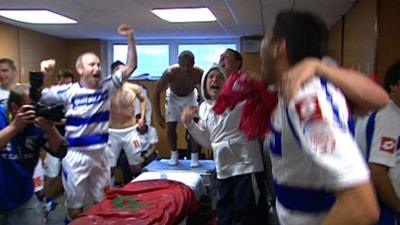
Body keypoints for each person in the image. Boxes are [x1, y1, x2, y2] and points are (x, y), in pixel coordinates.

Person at [261, 10, 380, 225]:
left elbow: (362, 206)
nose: (261, 48)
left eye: (265, 39)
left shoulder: (306, 99)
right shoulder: (288, 92)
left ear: (280, 48)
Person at [39, 24, 137, 222]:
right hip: (76, 156)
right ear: (80, 69)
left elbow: (130, 67)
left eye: (99, 64)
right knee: (76, 210)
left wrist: (130, 39)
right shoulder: (68, 91)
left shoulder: (107, 87)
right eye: (92, 65)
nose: (97, 68)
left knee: (103, 204)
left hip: (101, 155)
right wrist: (43, 75)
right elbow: (36, 97)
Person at [182, 63, 268, 225]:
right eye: (211, 77)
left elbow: (261, 95)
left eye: (220, 77)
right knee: (225, 217)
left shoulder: (239, 101)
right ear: (204, 84)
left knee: (249, 219)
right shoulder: (204, 109)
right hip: (223, 173)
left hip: (246, 170)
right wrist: (189, 124)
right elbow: (208, 141)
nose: (215, 79)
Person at [0, 84, 67, 225]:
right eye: (32, 106)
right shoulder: (1, 115)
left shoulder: (37, 124)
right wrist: (14, 127)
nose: (37, 110)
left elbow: (60, 151)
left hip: (22, 198)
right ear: (15, 108)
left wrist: (50, 128)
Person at [355, 61, 400, 225]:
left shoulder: (374, 110)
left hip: (364, 204)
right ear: (394, 85)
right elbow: (377, 172)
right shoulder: (391, 116)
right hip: (383, 211)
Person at [154, 50, 203, 167]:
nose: (186, 69)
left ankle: (194, 157)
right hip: (173, 97)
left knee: (194, 127)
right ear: (178, 63)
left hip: (190, 97)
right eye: (183, 65)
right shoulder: (170, 72)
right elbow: (156, 92)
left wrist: (204, 108)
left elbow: (206, 91)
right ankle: (174, 155)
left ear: (194, 63)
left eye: (189, 66)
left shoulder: (199, 73)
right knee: (171, 126)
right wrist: (158, 114)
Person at [106, 60, 147, 184]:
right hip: (112, 132)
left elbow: (143, 99)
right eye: (119, 70)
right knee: (110, 167)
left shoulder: (133, 88)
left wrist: (142, 117)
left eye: (124, 69)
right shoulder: (106, 88)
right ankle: (108, 195)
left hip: (131, 131)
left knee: (135, 166)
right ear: (113, 72)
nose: (123, 72)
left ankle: (138, 190)